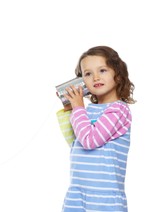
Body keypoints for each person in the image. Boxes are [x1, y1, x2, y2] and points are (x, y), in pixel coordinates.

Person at [56, 45, 135, 211]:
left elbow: (90, 141)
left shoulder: (119, 109)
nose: (96, 77)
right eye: (88, 74)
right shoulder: (87, 110)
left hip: (105, 196)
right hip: (77, 191)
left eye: (103, 70)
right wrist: (71, 108)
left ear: (118, 76)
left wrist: (78, 108)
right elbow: (74, 142)